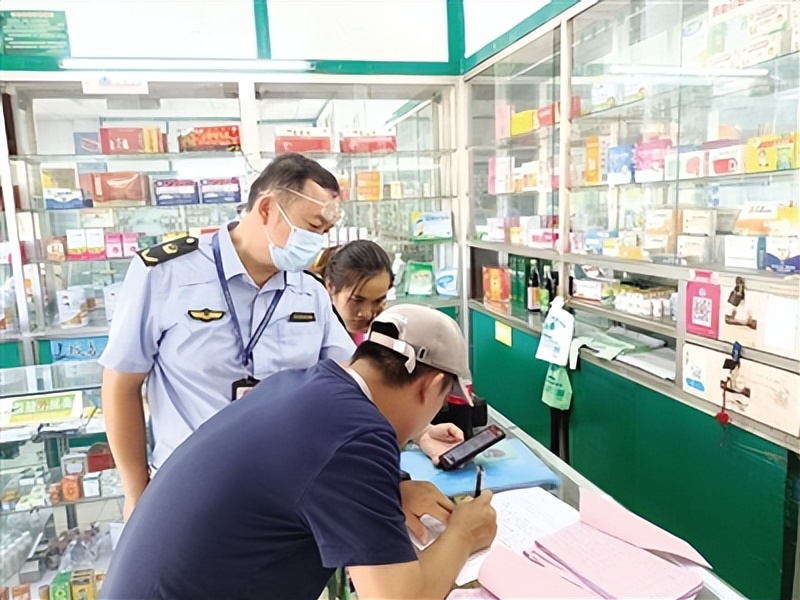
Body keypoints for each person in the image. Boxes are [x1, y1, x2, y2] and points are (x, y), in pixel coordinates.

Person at [100, 305, 498, 600]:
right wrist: (464, 532)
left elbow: (306, 464)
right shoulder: (359, 433)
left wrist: (393, 486)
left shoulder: (301, 384)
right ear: (432, 386)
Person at [99, 153, 357, 520]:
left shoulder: (309, 291)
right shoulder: (166, 274)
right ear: (267, 208)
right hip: (187, 493)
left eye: (324, 234)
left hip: (285, 494)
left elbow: (352, 379)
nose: (317, 244)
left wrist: (420, 430)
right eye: (311, 227)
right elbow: (120, 384)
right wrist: (136, 493)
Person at [316, 240, 466, 463]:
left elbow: (388, 398)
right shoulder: (319, 328)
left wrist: (421, 432)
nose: (367, 313)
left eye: (379, 300)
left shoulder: (383, 332)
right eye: (357, 300)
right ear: (330, 287)